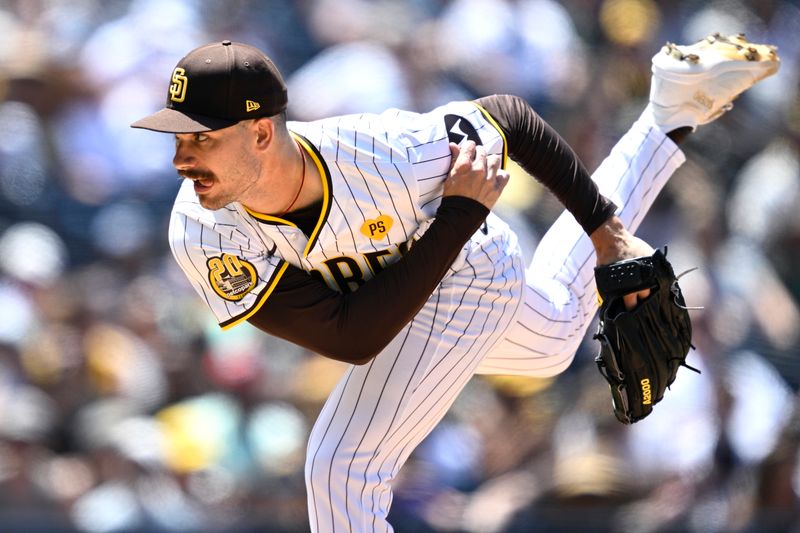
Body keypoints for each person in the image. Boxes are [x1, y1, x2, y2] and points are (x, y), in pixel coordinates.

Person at [132, 34, 778, 532]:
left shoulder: (383, 156)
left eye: (199, 139)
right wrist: (460, 215)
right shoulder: (203, 231)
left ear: (262, 133)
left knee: (341, 466)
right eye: (177, 137)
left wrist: (604, 231)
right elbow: (352, 336)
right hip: (419, 273)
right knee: (553, 333)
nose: (180, 159)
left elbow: (510, 119)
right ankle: (668, 111)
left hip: (466, 266)